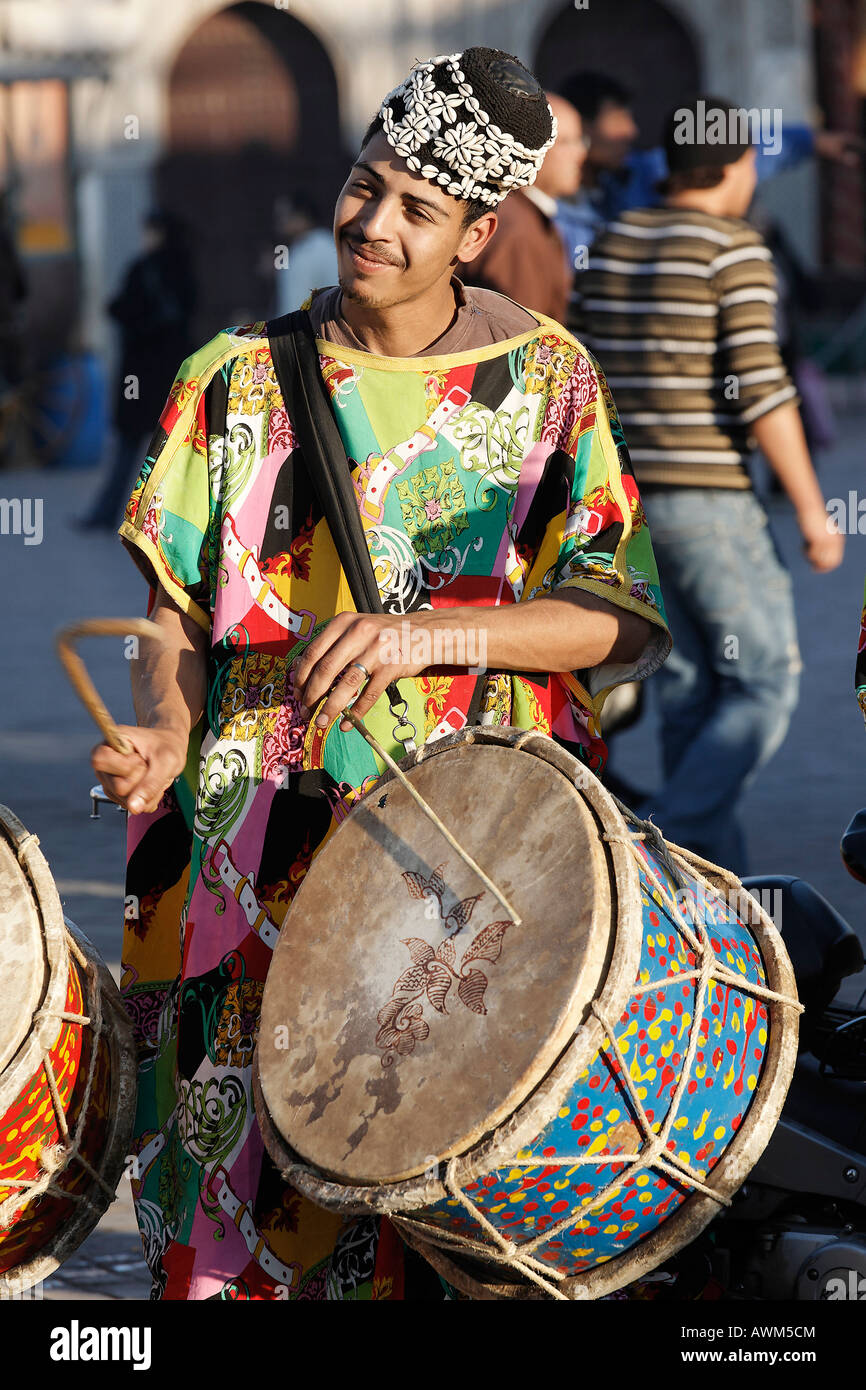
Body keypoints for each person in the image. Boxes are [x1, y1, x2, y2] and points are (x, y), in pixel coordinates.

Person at [90, 47, 670, 1301]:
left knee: (437, 1153)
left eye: (417, 206)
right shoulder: (231, 377)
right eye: (365, 185)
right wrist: (157, 735)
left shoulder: (548, 383)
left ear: (476, 232)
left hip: (468, 840)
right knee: (235, 1170)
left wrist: (433, 634)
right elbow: (172, 620)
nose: (371, 222)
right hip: (256, 832)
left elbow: (610, 614)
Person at [572, 96, 844, 873]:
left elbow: (586, 379)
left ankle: (707, 911)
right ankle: (652, 845)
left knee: (691, 692)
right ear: (735, 166)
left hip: (635, 508)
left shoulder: (613, 241)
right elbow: (763, 390)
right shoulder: (733, 248)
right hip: (713, 505)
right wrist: (814, 515)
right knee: (765, 681)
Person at [556, 72, 863, 266]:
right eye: (618, 117)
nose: (631, 131)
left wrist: (812, 141)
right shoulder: (548, 214)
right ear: (579, 125)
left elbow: (726, 151)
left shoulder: (641, 174)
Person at [79, 211, 196, 529]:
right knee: (172, 447)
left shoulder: (144, 269)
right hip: (173, 373)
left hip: (141, 372)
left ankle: (107, 514)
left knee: (129, 445)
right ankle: (171, 519)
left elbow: (120, 308)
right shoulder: (184, 269)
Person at [464, 90, 586, 322]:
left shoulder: (527, 217)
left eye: (581, 141)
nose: (581, 154)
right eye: (567, 142)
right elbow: (518, 339)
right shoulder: (517, 229)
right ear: (531, 150)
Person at [271, 193, 339, 319]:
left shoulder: (306, 252)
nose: (279, 223)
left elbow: (293, 308)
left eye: (283, 216)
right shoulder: (326, 242)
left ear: (301, 217)